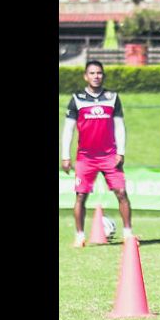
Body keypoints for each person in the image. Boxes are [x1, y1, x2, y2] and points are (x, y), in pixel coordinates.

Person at [61, 60, 136, 247]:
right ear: (86, 76)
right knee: (80, 196)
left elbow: (120, 126)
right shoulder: (77, 99)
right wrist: (65, 156)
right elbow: (68, 129)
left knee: (121, 192)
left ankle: (128, 234)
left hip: (110, 156)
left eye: (99, 73)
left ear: (103, 75)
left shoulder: (112, 97)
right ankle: (79, 236)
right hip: (85, 157)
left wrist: (121, 151)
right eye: (92, 73)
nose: (96, 76)